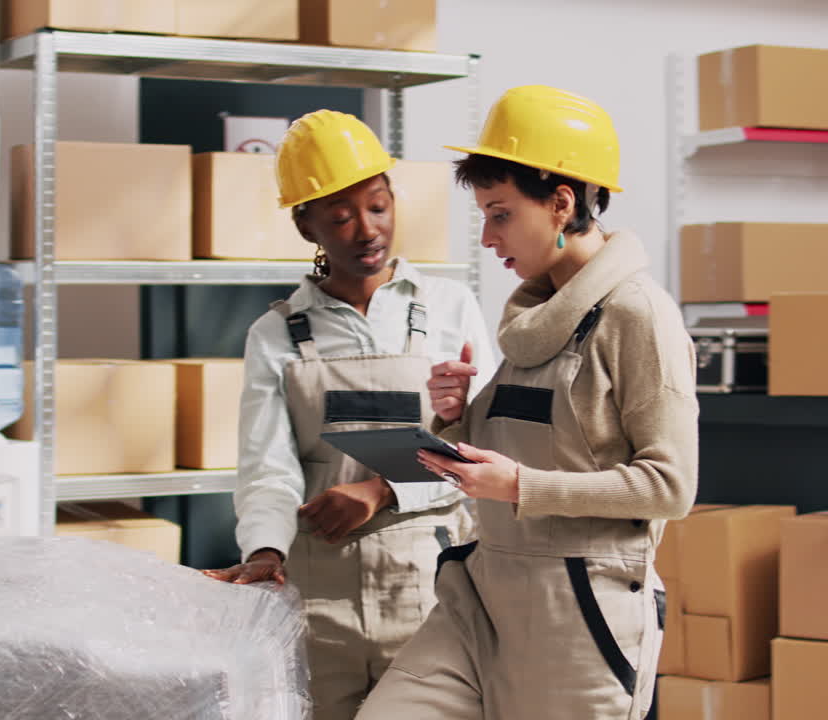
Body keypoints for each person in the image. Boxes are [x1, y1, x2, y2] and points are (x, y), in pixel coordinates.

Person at [355, 85, 700, 720]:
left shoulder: (639, 316)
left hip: (576, 610)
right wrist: (453, 416)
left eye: (500, 213)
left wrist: (522, 487)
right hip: (484, 594)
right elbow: (506, 453)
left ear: (561, 203)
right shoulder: (535, 319)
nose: (487, 237)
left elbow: (671, 486)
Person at [202, 109, 494, 720]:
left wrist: (382, 491)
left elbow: (483, 450)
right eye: (340, 216)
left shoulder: (450, 308)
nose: (367, 230)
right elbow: (267, 466)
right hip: (319, 596)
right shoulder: (276, 334)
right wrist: (264, 554)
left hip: (430, 584)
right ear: (306, 224)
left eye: (379, 207)